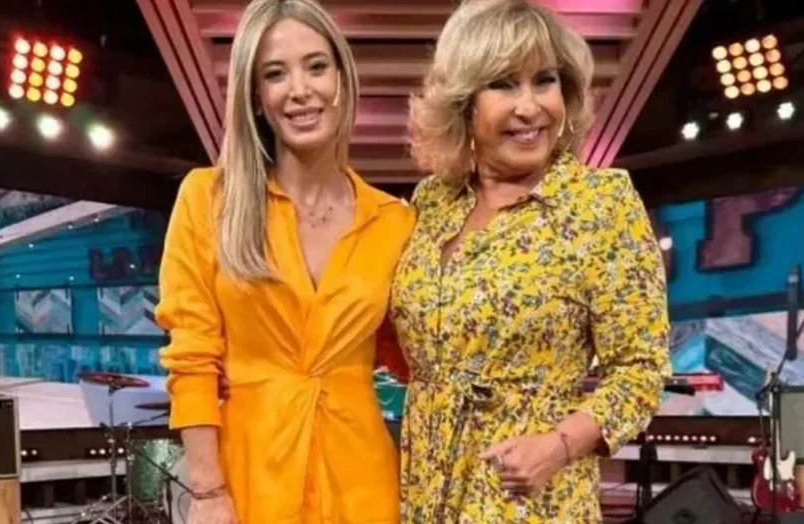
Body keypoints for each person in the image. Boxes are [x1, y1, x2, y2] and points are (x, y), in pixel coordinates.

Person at [388, 0, 672, 521]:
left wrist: (559, 446)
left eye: (544, 81)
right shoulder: (433, 201)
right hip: (426, 496)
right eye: (503, 84)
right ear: (464, 103)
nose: (530, 106)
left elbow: (641, 371)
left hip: (530, 502)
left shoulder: (600, 205)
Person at [154, 0, 414, 523]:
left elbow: (414, 356)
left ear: (342, 78)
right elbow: (192, 357)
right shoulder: (208, 200)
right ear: (255, 95)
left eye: (316, 66)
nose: (299, 90)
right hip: (247, 481)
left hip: (362, 484)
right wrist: (207, 491)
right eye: (275, 73)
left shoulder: (395, 222)